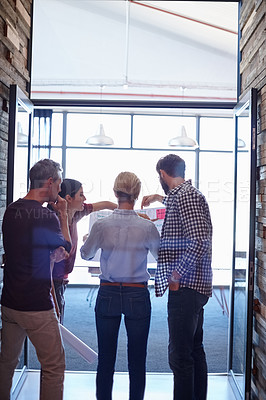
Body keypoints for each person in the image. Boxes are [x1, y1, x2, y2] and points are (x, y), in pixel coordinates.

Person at [80, 172, 160, 400]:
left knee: (106, 358)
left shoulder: (102, 224)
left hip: (108, 292)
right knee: (137, 360)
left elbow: (86, 255)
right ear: (136, 195)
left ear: (115, 193)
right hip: (137, 293)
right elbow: (159, 255)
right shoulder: (146, 227)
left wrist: (87, 240)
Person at [141, 154, 213, 400]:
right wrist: (159, 198)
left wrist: (176, 274)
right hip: (192, 286)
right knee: (193, 351)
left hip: (186, 287)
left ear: (162, 173)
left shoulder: (186, 197)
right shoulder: (183, 195)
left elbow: (199, 241)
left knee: (180, 357)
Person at [0, 159, 72, 400]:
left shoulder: (11, 209)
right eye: (59, 184)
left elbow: (23, 247)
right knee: (53, 366)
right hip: (36, 305)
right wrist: (63, 214)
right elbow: (67, 247)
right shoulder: (45, 216)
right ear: (50, 182)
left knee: (6, 362)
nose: (60, 190)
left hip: (10, 302)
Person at [51, 178, 117, 323]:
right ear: (68, 198)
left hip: (61, 280)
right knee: (54, 327)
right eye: (81, 194)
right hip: (51, 282)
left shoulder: (76, 213)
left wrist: (126, 212)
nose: (85, 198)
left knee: (57, 323)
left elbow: (105, 204)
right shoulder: (53, 220)